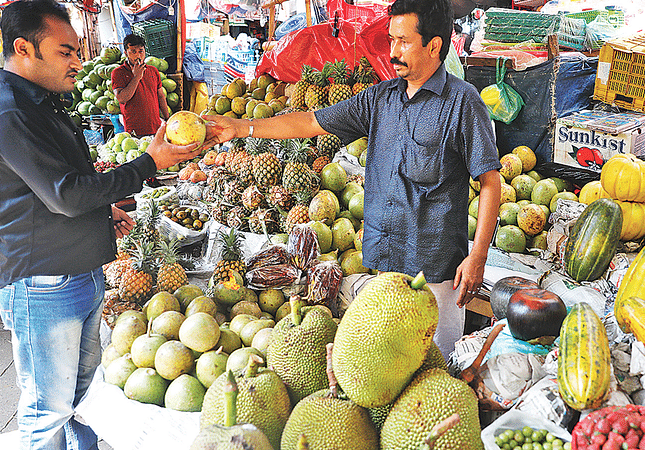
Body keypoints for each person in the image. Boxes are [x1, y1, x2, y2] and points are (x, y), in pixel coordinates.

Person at [203, 0, 501, 359]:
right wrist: (241, 127)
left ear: (434, 46)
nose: (392, 51)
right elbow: (310, 121)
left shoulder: (463, 103)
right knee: (389, 363)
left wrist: (479, 255)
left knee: (438, 364)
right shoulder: (381, 98)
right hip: (384, 262)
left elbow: (489, 181)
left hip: (435, 270)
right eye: (390, 40)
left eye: (403, 42)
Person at [0, 1, 202, 449]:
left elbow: (55, 187)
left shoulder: (42, 103)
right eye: (65, 51)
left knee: (83, 401)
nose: (78, 61)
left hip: (77, 273)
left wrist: (103, 210)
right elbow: (66, 194)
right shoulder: (8, 113)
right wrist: (147, 163)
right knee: (48, 414)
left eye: (77, 51)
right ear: (23, 48)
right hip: (44, 285)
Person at [111, 33, 169, 136]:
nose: (138, 55)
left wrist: (167, 118)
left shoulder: (153, 71)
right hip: (134, 131)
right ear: (126, 53)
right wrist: (136, 77)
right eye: (133, 52)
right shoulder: (118, 72)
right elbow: (121, 98)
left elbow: (160, 96)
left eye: (141, 51)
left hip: (156, 128)